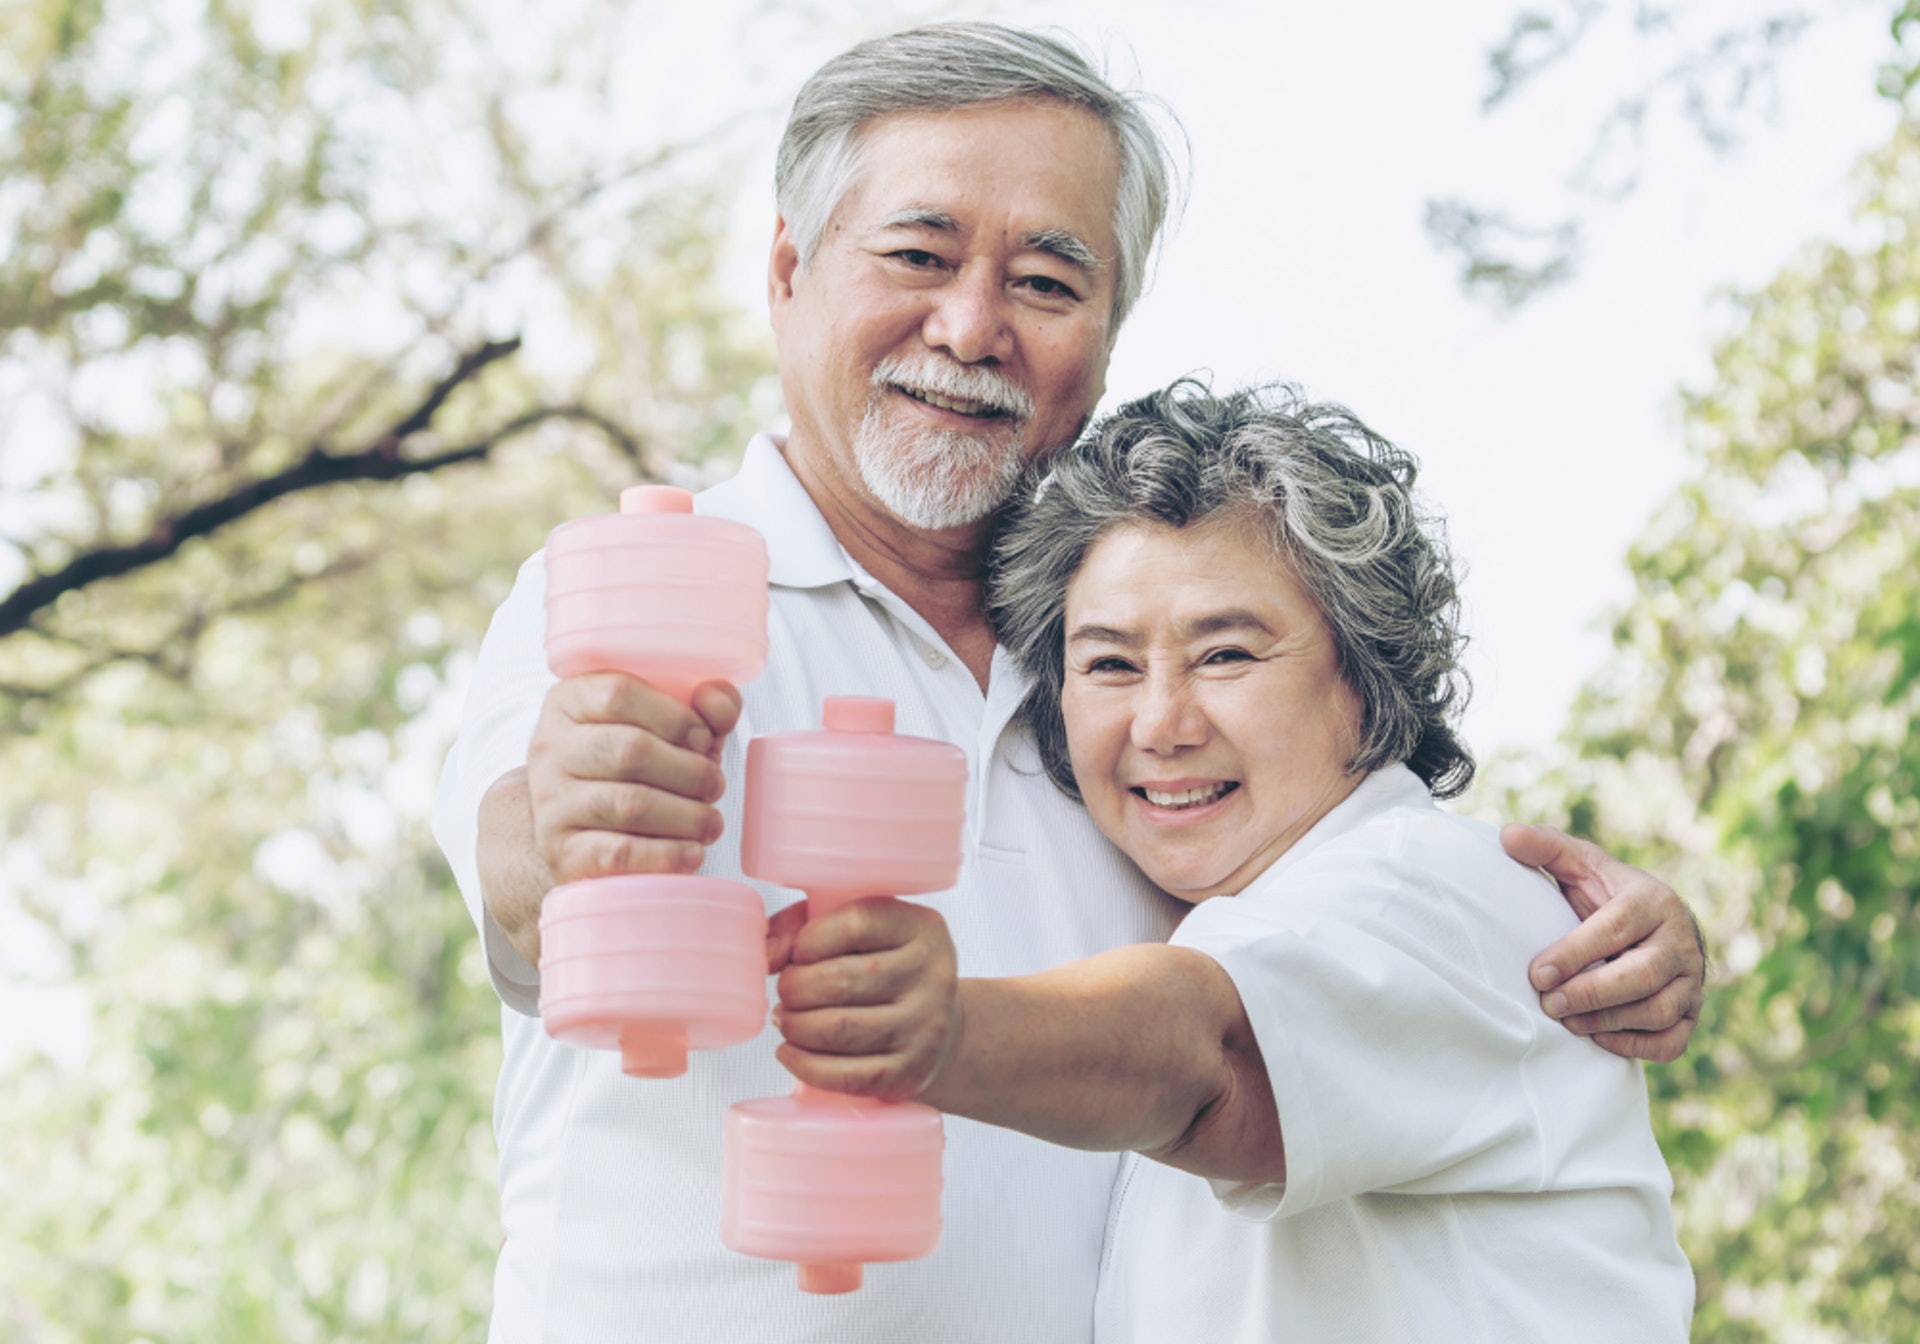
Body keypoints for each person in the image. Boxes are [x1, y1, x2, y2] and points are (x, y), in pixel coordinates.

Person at [431, 23, 1706, 1342]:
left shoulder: (1113, 689)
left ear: (1108, 329)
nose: (973, 327)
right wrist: (573, 820)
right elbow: (524, 879)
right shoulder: (634, 598)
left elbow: (1322, 938)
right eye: (919, 255)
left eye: (1046, 281)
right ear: (788, 270)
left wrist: (1580, 923)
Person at [767, 380, 1695, 1341]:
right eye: (1110, 666)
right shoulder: (1209, 896)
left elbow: (1208, 1056)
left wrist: (943, 1026)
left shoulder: (1441, 890)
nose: (1161, 725)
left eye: (1227, 656)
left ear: (1366, 686)